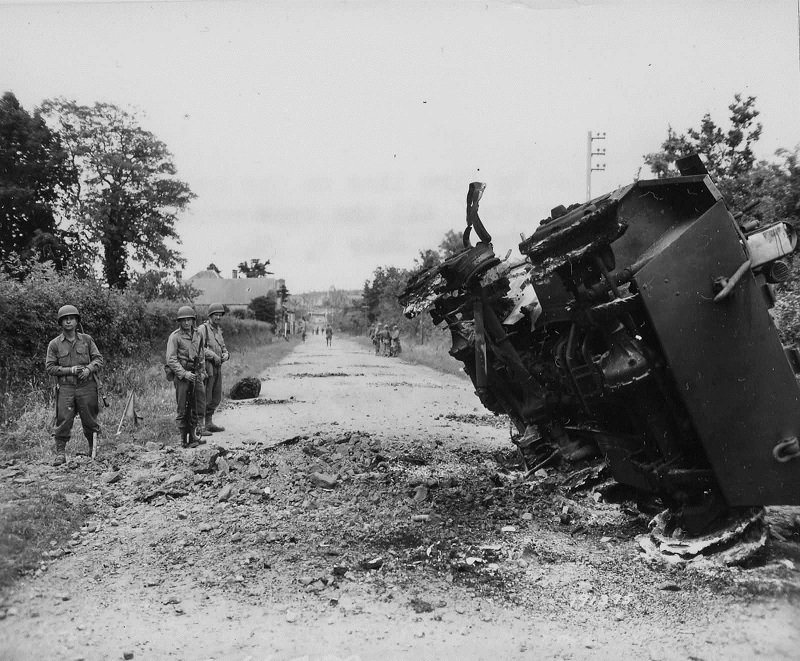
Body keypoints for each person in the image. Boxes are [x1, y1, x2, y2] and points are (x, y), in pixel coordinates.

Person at [45, 305, 104, 465]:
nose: (68, 321)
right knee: (63, 419)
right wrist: (69, 370)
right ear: (61, 322)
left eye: (72, 318)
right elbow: (49, 367)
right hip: (66, 388)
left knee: (90, 419)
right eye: (65, 318)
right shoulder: (55, 344)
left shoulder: (87, 340)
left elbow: (98, 359)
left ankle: (93, 450)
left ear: (77, 321)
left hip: (87, 386)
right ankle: (60, 453)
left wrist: (88, 370)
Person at [165, 306, 207, 448]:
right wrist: (184, 374)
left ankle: (194, 435)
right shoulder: (175, 337)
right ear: (179, 322)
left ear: (193, 320)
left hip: (196, 374)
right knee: (183, 407)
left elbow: (201, 355)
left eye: (189, 320)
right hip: (183, 375)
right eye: (184, 320)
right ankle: (183, 438)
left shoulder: (198, 335)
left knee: (198, 405)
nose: (187, 323)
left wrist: (202, 371)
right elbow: (171, 359)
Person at [199, 302, 230, 434]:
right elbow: (199, 348)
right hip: (206, 368)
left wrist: (226, 355)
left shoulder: (218, 331)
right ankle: (200, 426)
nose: (218, 318)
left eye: (220, 315)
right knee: (204, 396)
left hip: (218, 367)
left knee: (215, 396)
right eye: (216, 315)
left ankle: (209, 422)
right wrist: (213, 356)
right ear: (210, 316)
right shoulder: (203, 329)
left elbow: (223, 347)